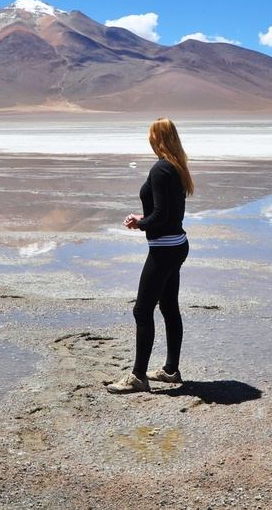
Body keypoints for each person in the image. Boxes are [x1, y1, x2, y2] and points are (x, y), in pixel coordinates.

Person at [107, 117, 194, 394]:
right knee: (168, 307)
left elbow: (160, 216)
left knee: (142, 310)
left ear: (157, 138)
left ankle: (138, 377)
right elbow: (167, 213)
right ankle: (170, 370)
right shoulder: (177, 167)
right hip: (177, 244)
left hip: (165, 249)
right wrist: (146, 218)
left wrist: (139, 222)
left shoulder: (160, 169)